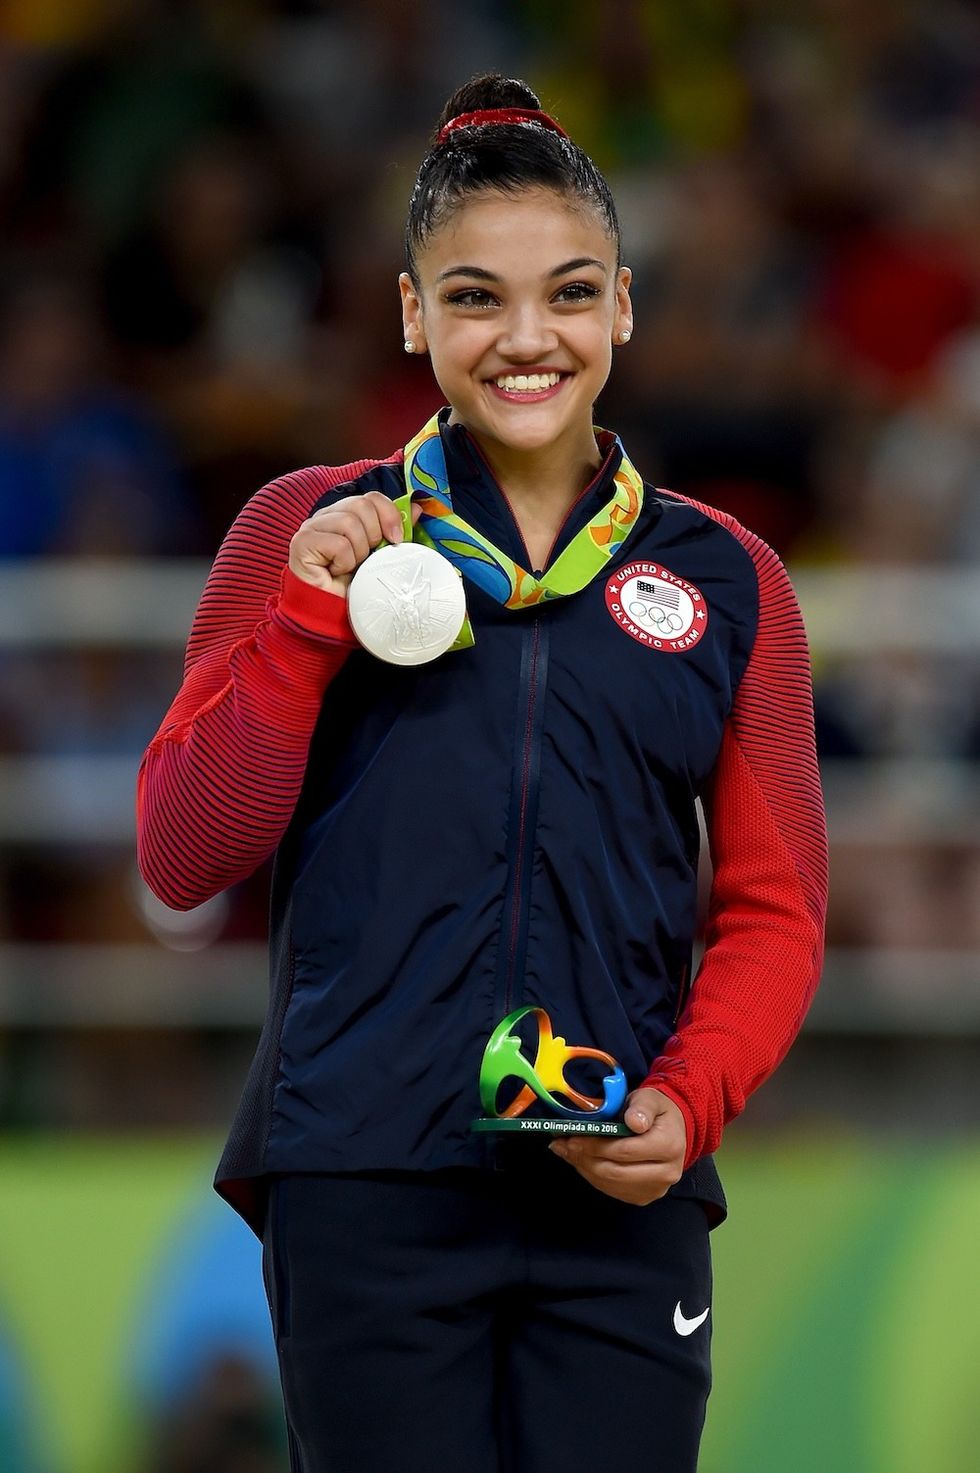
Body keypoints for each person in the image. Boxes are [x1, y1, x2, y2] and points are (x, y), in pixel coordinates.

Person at [137, 74, 828, 1473]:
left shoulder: (727, 577)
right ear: (409, 312)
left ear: (624, 305)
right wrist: (305, 621)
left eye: (570, 293)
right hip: (365, 1172)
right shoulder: (302, 527)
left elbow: (777, 910)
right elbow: (184, 850)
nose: (528, 339)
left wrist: (689, 1098)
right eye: (473, 298)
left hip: (613, 1180)